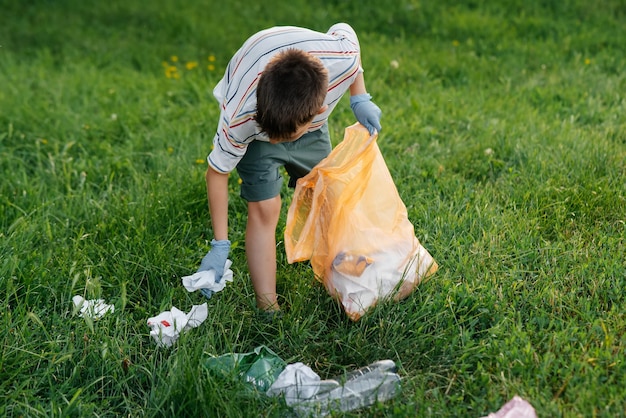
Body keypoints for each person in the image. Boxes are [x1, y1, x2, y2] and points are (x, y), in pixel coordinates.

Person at [197, 23, 382, 313]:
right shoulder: (241, 116)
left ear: (318, 110)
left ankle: (344, 269)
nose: (275, 142)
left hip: (307, 126)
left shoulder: (340, 57)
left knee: (325, 194)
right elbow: (217, 173)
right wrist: (220, 243)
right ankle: (267, 306)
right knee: (264, 208)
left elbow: (346, 32)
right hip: (254, 128)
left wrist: (360, 97)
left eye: (283, 137)